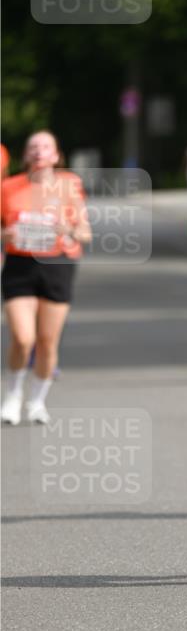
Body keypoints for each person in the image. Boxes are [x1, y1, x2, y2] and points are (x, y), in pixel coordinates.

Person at [1, 131, 90, 425]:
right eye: (33, 147)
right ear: (26, 155)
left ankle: (37, 401)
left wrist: (67, 229)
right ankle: (13, 395)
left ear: (56, 155)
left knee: (47, 342)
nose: (39, 151)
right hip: (19, 265)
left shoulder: (70, 185)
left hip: (57, 265)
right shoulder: (8, 187)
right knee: (22, 338)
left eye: (45, 147)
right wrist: (5, 234)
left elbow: (85, 233)